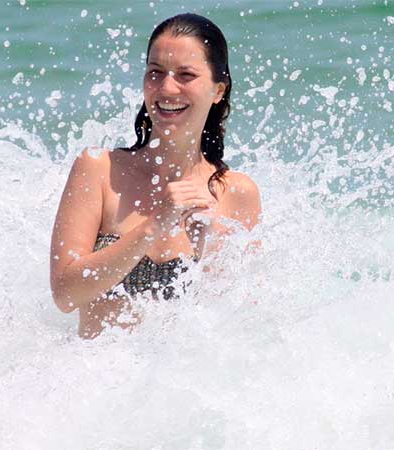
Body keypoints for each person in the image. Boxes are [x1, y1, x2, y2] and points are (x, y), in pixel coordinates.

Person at [50, 13, 261, 338]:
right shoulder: (99, 169)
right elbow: (65, 294)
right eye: (155, 73)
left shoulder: (236, 193)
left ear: (219, 89)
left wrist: (207, 250)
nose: (166, 88)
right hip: (91, 378)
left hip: (176, 385)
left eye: (186, 75)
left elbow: (237, 327)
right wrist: (153, 226)